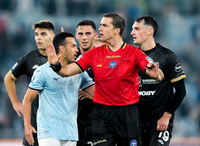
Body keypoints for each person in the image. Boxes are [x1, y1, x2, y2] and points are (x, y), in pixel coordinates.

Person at [47, 13, 164, 146]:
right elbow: (67, 71)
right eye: (100, 25)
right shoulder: (94, 54)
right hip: (102, 115)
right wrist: (55, 65)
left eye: (104, 25)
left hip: (128, 114)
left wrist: (157, 74)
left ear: (116, 30)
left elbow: (155, 71)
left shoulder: (134, 53)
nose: (100, 28)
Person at [23, 32, 95, 146]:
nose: (77, 50)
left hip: (71, 133)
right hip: (49, 132)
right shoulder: (43, 71)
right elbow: (27, 99)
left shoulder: (80, 73)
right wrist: (27, 126)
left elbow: (97, 93)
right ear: (62, 48)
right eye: (73, 46)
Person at [130, 16, 186, 146]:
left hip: (159, 123)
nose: (132, 32)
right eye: (132, 29)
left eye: (137, 29)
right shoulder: (130, 57)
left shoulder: (168, 56)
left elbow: (181, 91)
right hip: (135, 123)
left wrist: (167, 116)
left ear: (150, 32)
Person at [4, 20, 55, 146]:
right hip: (35, 122)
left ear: (52, 36)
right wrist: (15, 102)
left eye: (43, 34)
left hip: (57, 122)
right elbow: (8, 78)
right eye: (36, 34)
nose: (38, 38)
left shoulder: (62, 57)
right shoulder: (28, 59)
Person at [75, 20, 97, 146]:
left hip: (95, 121)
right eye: (81, 33)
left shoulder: (103, 58)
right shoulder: (69, 58)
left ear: (95, 35)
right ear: (76, 35)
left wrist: (93, 94)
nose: (84, 37)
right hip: (72, 123)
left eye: (88, 33)